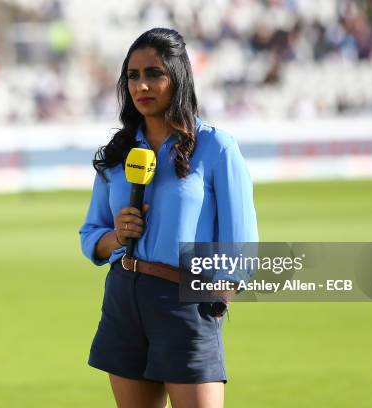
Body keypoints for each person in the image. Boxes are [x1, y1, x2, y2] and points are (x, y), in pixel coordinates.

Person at [79, 28, 258, 408]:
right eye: (133, 76)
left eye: (154, 74)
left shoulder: (217, 148)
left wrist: (215, 303)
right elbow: (90, 233)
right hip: (124, 298)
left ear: (178, 77)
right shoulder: (115, 153)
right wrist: (116, 235)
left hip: (186, 302)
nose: (142, 85)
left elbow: (240, 247)